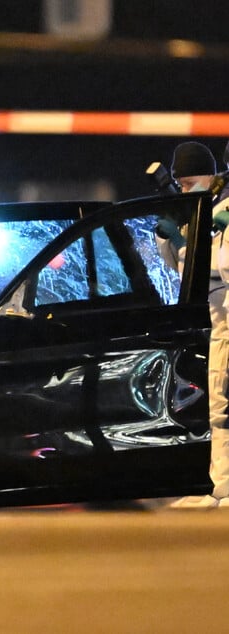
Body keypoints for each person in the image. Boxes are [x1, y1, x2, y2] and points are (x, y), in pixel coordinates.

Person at [164, 141, 229, 508]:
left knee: (223, 403)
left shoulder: (223, 210)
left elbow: (217, 268)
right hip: (218, 319)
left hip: (225, 313)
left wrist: (185, 241)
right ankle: (221, 486)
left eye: (189, 183)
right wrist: (171, 240)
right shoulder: (209, 210)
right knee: (218, 406)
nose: (185, 190)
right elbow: (185, 271)